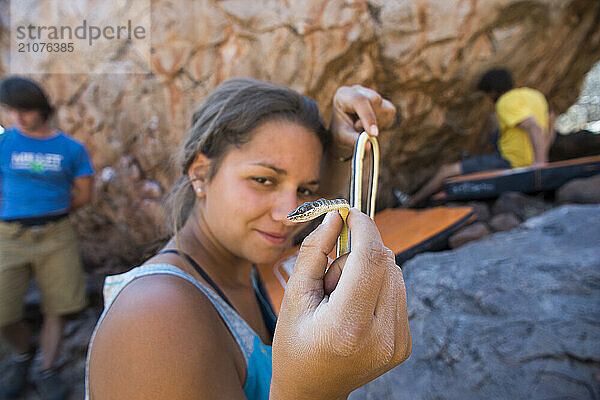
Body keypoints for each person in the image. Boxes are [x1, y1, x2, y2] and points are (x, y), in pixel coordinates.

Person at [86, 78, 411, 400]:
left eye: (304, 190)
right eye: (263, 180)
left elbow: (319, 199)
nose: (289, 212)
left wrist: (342, 145)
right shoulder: (154, 317)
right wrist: (315, 392)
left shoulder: (237, 268)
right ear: (200, 173)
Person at [0, 76, 94, 400]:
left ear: (40, 108)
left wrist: (49, 209)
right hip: (9, 236)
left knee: (59, 306)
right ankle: (23, 353)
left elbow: (84, 195)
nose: (17, 118)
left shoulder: (71, 148)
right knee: (4, 313)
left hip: (58, 234)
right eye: (11, 111)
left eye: (23, 110)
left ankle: (47, 368)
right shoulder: (4, 142)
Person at [397, 68, 553, 207]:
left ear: (492, 92)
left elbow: (534, 127)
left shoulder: (505, 102)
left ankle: (411, 202)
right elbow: (551, 122)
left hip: (510, 161)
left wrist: (540, 164)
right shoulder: (535, 95)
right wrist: (542, 153)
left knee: (447, 171)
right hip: (522, 159)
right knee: (491, 136)